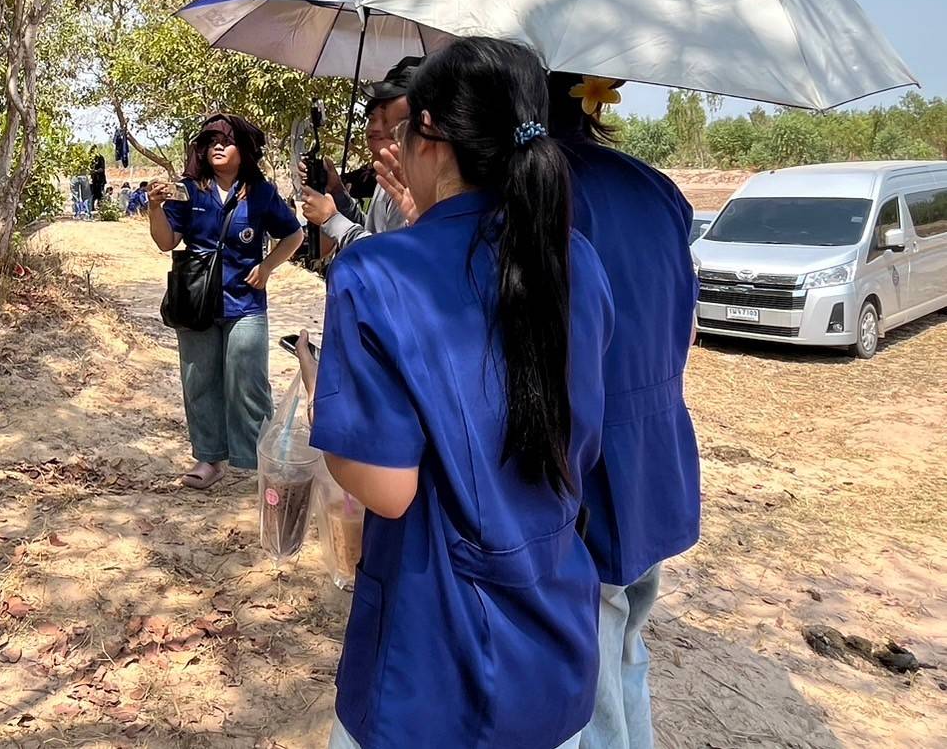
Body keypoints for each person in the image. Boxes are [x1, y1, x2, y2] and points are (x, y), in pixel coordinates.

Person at [296, 38, 614, 749]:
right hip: (556, 643)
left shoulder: (376, 273)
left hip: (434, 660)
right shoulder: (575, 260)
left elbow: (386, 489)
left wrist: (327, 409)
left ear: (429, 136)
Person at [549, 74, 700, 749]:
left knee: (588, 681)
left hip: (590, 469)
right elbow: (684, 319)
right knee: (627, 648)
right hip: (658, 454)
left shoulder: (542, 192)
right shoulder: (654, 186)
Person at [148, 114, 304, 490]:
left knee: (248, 382)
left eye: (226, 140)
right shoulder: (188, 190)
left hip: (245, 301)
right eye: (210, 141)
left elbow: (294, 235)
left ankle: (259, 462)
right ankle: (209, 458)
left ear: (243, 150)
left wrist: (267, 267)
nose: (217, 146)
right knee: (199, 380)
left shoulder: (261, 192)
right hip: (195, 299)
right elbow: (166, 241)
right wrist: (154, 208)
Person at [299, 57, 421, 256]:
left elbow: (387, 257)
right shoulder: (387, 176)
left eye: (389, 119)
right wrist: (337, 191)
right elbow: (372, 233)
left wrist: (332, 220)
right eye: (372, 118)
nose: (376, 128)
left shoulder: (417, 185)